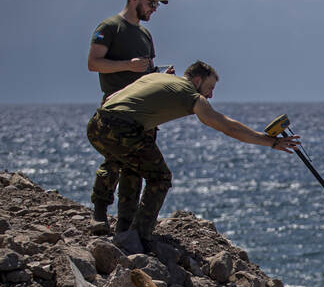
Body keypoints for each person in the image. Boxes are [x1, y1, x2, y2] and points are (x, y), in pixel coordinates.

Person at [85, 60, 301, 247]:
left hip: (96, 124)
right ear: (197, 80)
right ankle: (139, 237)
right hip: (122, 128)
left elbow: (113, 96)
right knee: (160, 177)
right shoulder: (190, 93)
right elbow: (228, 127)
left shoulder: (155, 77)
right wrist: (270, 142)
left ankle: (124, 230)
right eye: (210, 87)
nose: (211, 95)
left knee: (133, 168)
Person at [87, 0, 177, 233]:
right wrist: (127, 65)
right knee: (113, 160)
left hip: (143, 112)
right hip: (116, 108)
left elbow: (145, 72)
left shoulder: (145, 34)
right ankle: (99, 213)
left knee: (135, 168)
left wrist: (161, 76)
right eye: (151, 3)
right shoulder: (110, 27)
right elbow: (94, 63)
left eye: (156, 5)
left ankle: (126, 225)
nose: (154, 9)